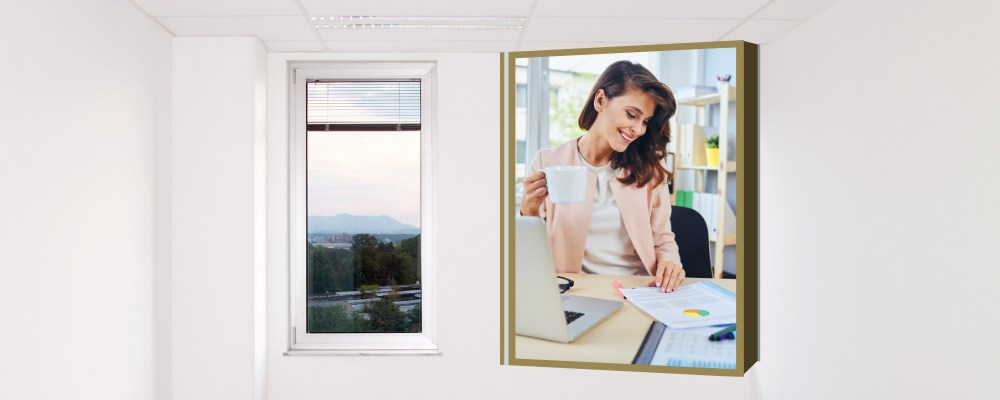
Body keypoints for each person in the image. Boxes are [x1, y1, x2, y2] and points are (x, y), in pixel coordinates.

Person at [520, 60, 684, 293]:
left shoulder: (650, 168)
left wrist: (670, 262)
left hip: (639, 290)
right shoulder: (548, 162)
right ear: (600, 101)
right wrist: (528, 210)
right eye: (631, 115)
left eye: (645, 121)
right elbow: (531, 250)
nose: (638, 130)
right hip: (575, 291)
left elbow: (662, 238)